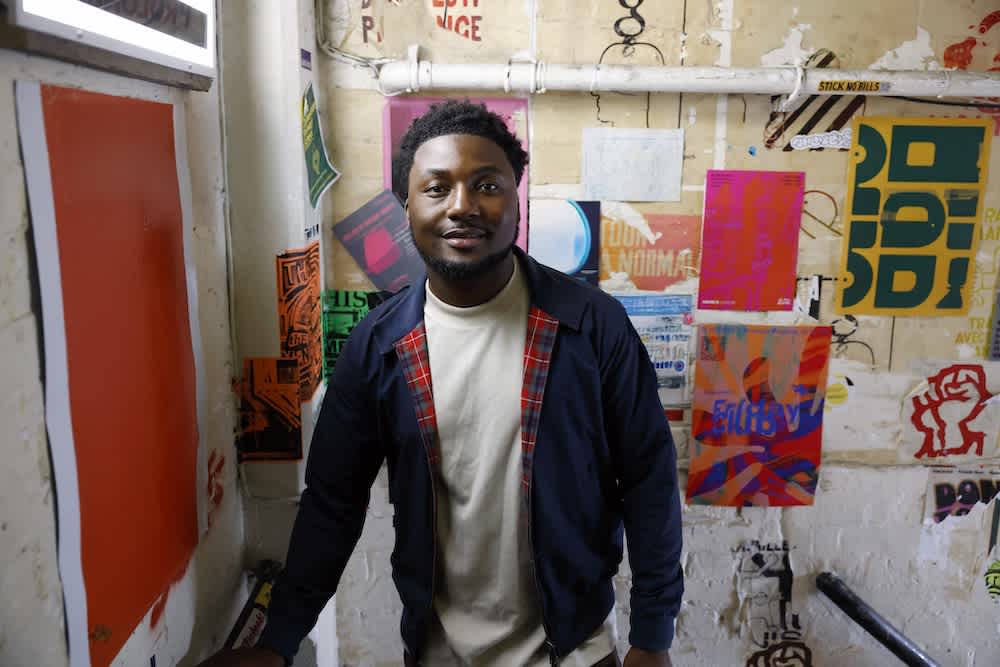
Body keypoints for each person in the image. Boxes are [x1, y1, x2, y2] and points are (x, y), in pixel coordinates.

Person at [199, 100, 683, 667]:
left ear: (516, 198)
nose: (463, 206)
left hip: (573, 650)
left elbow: (649, 482)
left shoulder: (592, 327)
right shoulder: (376, 349)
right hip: (437, 652)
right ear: (407, 207)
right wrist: (277, 643)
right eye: (436, 188)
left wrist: (652, 638)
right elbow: (333, 503)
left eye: (486, 185)